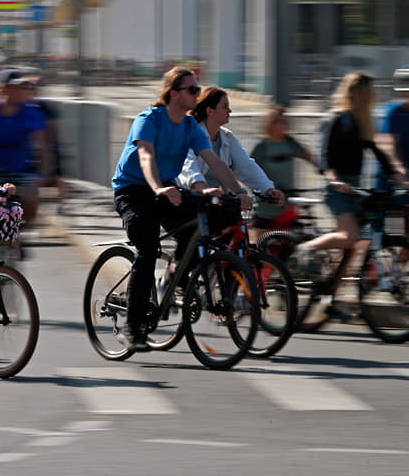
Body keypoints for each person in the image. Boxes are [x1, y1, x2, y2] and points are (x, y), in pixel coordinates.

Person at [112, 67, 253, 349]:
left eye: (198, 90)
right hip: (134, 189)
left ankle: (177, 278)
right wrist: (158, 188)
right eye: (192, 90)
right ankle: (132, 325)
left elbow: (214, 162)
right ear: (174, 93)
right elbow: (145, 156)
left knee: (206, 220)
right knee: (148, 249)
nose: (197, 95)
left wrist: (238, 192)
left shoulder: (189, 126)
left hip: (166, 187)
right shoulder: (149, 119)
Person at [293, 72, 409, 320]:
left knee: (351, 248)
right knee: (351, 236)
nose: (373, 97)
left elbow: (379, 153)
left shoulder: (362, 122)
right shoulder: (339, 119)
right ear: (359, 94)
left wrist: (398, 177)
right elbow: (325, 155)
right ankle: (306, 247)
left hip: (355, 188)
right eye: (370, 92)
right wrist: (334, 178)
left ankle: (328, 298)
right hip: (337, 188)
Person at [177, 86, 285, 220]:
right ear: (210, 110)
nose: (230, 111)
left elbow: (246, 166)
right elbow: (187, 166)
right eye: (225, 106)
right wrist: (203, 188)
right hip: (186, 202)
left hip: (214, 203)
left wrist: (268, 189)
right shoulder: (190, 134)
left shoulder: (227, 137)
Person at [0, 69, 49, 226]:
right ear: (3, 90)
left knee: (31, 200)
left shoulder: (31, 113)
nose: (21, 92)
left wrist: (44, 174)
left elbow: (42, 147)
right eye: (16, 88)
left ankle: (19, 232)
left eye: (23, 88)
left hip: (21, 171)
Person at [250, 106, 313, 229]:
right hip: (266, 207)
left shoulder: (291, 143)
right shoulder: (262, 147)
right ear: (270, 124)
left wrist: (326, 171)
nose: (282, 125)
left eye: (284, 122)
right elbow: (249, 171)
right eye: (278, 122)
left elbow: (309, 157)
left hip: (287, 206)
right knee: (262, 244)